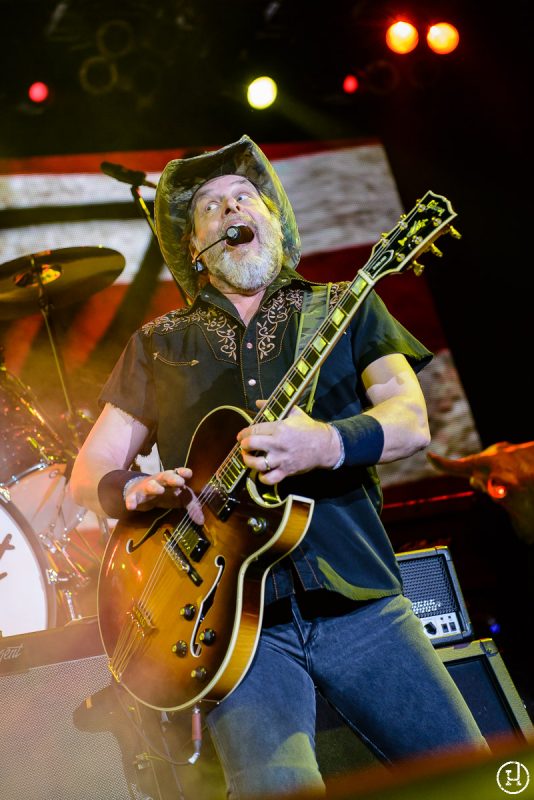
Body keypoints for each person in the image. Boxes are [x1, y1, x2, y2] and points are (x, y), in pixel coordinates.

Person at [70, 135, 488, 799]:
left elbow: (410, 420)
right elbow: (89, 469)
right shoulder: (158, 343)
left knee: (479, 780)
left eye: (246, 196)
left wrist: (324, 443)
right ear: (194, 247)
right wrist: (138, 488)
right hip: (235, 632)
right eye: (212, 205)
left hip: (361, 605)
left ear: (271, 219)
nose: (234, 205)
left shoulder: (343, 305)